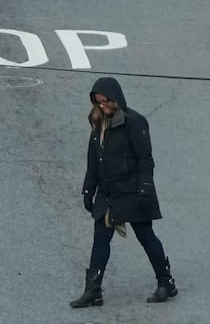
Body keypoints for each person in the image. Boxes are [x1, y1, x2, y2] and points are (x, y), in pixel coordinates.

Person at [72, 75, 177, 308]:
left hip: (133, 191)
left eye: (107, 101)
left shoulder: (135, 122)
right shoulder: (98, 123)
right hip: (109, 193)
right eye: (99, 102)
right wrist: (88, 189)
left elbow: (145, 159)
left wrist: (145, 188)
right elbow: (94, 160)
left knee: (146, 236)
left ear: (117, 98)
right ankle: (93, 291)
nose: (103, 106)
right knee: (100, 239)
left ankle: (165, 282)